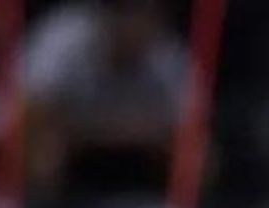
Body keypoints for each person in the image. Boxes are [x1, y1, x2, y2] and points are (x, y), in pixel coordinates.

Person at [20, 0, 188, 191]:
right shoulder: (64, 38)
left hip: (138, 154)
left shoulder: (166, 53)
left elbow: (191, 128)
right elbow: (30, 111)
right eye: (128, 14)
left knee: (195, 158)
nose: (137, 27)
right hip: (72, 145)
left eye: (148, 17)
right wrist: (97, 131)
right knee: (43, 147)